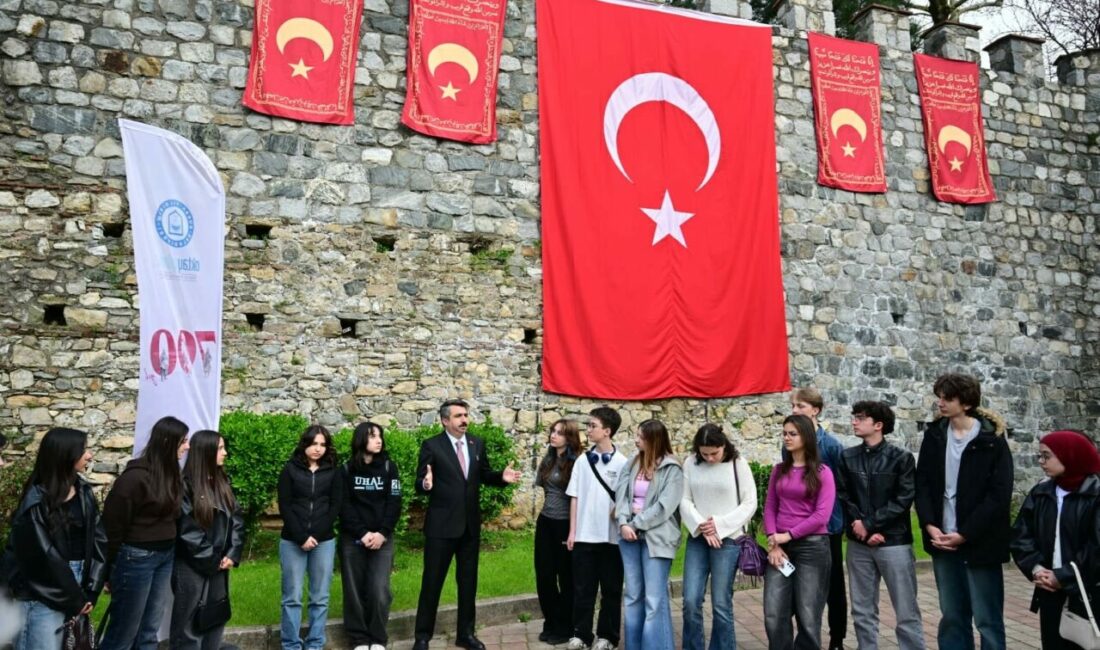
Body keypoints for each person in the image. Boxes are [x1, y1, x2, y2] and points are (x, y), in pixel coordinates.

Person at [915, 373, 1013, 650]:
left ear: (966, 402)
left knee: (987, 617)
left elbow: (999, 494)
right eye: (939, 397)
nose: (940, 403)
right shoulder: (934, 436)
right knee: (953, 615)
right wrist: (929, 524)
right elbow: (922, 483)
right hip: (942, 538)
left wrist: (966, 533)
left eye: (948, 398)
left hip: (980, 541)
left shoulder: (992, 440)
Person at [412, 399, 521, 650]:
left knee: (468, 582)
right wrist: (426, 484)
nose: (465, 420)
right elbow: (421, 482)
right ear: (445, 420)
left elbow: (483, 475)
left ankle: (466, 634)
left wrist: (500, 478)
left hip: (469, 527)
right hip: (441, 527)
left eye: (466, 415)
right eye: (459, 416)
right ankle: (422, 636)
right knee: (432, 582)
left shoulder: (476, 443)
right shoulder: (432, 445)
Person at [2, 427, 107, 650]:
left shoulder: (83, 491)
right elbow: (44, 559)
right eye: (83, 450)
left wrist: (91, 589)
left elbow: (98, 541)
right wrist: (76, 598)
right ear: (64, 455)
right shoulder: (35, 503)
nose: (89, 455)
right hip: (43, 593)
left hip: (75, 585)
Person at [835, 401, 924, 650]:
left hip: (893, 542)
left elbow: (903, 499)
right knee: (862, 609)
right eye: (854, 416)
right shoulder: (847, 457)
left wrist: (871, 526)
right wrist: (862, 531)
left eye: (860, 418)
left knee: (906, 609)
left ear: (878, 425)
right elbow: (843, 496)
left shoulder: (901, 459)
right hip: (859, 544)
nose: (854, 421)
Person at [100, 416, 190, 650]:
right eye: (183, 441)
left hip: (164, 555)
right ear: (168, 443)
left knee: (150, 628)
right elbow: (112, 526)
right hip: (136, 558)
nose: (187, 446)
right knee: (124, 629)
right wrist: (108, 570)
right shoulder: (134, 478)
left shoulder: (172, 475)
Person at [1010, 430, 1100, 650]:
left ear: (1069, 455)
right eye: (1040, 455)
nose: (1041, 461)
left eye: (1047, 455)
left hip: (1088, 589)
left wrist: (1064, 576)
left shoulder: (1095, 494)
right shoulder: (1041, 492)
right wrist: (1037, 568)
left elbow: (1097, 546)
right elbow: (1021, 535)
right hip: (1049, 588)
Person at [679, 423, 757, 650]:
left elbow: (749, 503)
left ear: (724, 446)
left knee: (721, 603)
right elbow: (684, 500)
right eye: (705, 454)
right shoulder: (690, 463)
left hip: (729, 540)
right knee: (690, 600)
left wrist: (719, 526)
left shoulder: (738, 464)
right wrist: (703, 526)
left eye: (715, 453)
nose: (710, 458)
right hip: (698, 538)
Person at [763, 414, 835, 650]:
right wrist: (775, 542)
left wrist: (788, 535)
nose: (787, 437)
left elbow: (821, 516)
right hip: (780, 549)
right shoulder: (779, 470)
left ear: (806, 436)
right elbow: (771, 506)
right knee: (774, 612)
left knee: (808, 613)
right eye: (784, 433)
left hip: (812, 548)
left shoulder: (823, 472)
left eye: (792, 433)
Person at [169, 430, 244, 650]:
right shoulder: (184, 486)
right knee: (188, 624)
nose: (225, 453)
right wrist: (211, 560)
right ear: (206, 451)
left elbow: (236, 517)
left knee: (215, 616)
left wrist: (232, 553)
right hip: (192, 565)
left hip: (220, 562)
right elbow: (187, 530)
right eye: (220, 448)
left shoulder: (222, 481)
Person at [615, 419, 684, 650]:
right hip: (629, 536)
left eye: (640, 436)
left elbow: (665, 506)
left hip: (657, 537)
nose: (635, 440)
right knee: (633, 596)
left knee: (654, 600)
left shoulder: (672, 469)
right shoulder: (633, 463)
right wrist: (624, 522)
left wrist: (636, 524)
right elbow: (621, 495)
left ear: (654, 440)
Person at [565, 406, 628, 650]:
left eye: (593, 426)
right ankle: (581, 633)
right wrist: (572, 532)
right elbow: (574, 496)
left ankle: (608, 636)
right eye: (588, 425)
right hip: (584, 535)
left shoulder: (623, 463)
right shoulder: (582, 461)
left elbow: (626, 498)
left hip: (612, 537)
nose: (588, 430)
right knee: (583, 588)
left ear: (607, 431)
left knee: (611, 589)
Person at [790, 388, 846, 650]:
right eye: (793, 406)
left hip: (828, 526)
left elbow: (843, 488)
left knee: (833, 585)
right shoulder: (788, 444)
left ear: (815, 410)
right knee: (798, 585)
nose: (795, 411)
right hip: (796, 526)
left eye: (800, 406)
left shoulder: (832, 445)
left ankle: (836, 639)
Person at [278, 425, 343, 650]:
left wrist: (316, 535)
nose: (318, 449)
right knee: (292, 597)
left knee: (320, 597)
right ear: (305, 444)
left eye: (323, 444)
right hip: (292, 541)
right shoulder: (289, 470)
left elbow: (335, 506)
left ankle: (315, 644)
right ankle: (291, 645)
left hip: (323, 541)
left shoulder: (335, 471)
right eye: (314, 443)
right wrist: (301, 536)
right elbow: (285, 506)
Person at [339, 422, 402, 650]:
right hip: (353, 539)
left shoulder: (389, 468)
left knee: (379, 588)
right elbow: (344, 506)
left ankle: (377, 638)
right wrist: (362, 533)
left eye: (380, 436)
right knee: (353, 589)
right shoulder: (346, 470)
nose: (379, 440)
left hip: (382, 538)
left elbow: (394, 503)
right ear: (360, 439)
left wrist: (382, 533)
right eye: (373, 436)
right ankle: (359, 639)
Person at [534, 419, 582, 645]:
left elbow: (579, 497)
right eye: (552, 431)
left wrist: (574, 530)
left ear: (570, 437)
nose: (554, 436)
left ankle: (565, 626)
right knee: (544, 576)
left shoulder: (576, 463)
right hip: (545, 522)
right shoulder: (548, 459)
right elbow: (544, 487)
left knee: (566, 577)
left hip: (565, 524)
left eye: (560, 433)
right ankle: (551, 621)